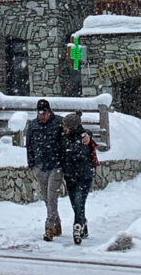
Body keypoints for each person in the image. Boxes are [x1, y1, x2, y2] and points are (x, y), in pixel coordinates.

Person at [25, 98, 64, 241]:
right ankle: (57, 224)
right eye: (40, 112)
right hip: (39, 167)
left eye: (44, 112)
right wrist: (32, 165)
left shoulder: (59, 122)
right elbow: (29, 146)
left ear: (49, 112)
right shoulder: (33, 125)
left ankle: (49, 227)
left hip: (56, 166)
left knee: (52, 196)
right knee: (46, 198)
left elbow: (75, 130)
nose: (42, 115)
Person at [59, 111, 98, 244]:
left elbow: (75, 155)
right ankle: (83, 223)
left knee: (78, 201)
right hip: (70, 176)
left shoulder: (81, 139)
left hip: (83, 176)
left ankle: (77, 226)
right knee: (76, 204)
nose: (64, 129)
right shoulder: (66, 136)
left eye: (66, 127)